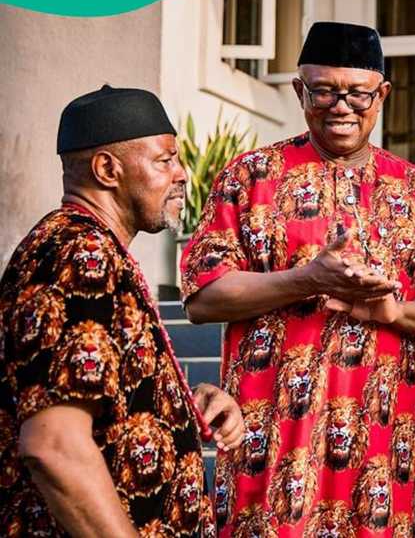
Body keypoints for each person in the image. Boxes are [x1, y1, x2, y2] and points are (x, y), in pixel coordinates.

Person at [180, 21, 415, 537]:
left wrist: (395, 311)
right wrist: (306, 279)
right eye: (324, 91)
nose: (341, 107)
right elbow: (203, 296)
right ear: (299, 91)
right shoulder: (251, 177)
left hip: (380, 450)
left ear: (381, 94)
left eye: (358, 94)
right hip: (268, 441)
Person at [0, 84, 245, 537]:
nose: (182, 175)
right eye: (165, 159)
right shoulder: (77, 256)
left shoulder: (94, 252)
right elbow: (54, 445)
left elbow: (96, 400)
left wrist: (181, 406)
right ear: (107, 169)